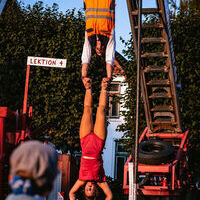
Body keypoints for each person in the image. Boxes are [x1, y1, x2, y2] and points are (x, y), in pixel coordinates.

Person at [69, 78, 112, 200]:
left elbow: (71, 194)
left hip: (85, 141)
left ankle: (88, 88)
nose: (89, 188)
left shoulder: (81, 180)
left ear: (84, 190)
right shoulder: (101, 181)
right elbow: (109, 196)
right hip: (98, 142)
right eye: (91, 190)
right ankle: (104, 87)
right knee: (101, 110)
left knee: (87, 110)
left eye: (87, 190)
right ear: (95, 190)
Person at [81, 0, 116, 80]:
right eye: (101, 51)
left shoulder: (89, 38)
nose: (99, 50)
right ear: (104, 49)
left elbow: (85, 59)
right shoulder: (109, 36)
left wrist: (83, 77)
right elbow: (109, 60)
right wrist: (109, 77)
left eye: (97, 51)